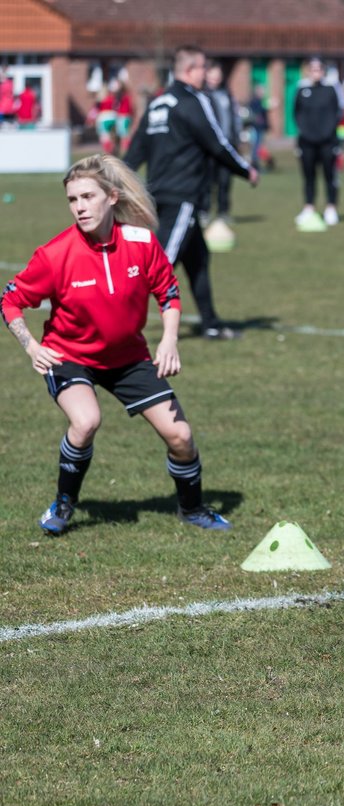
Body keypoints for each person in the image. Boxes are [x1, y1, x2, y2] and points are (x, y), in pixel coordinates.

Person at [1, 154, 234, 535]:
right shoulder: (55, 255)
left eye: (87, 197)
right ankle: (64, 503)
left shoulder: (141, 242)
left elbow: (169, 291)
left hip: (128, 357)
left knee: (181, 436)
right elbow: (9, 300)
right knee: (86, 420)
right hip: (70, 356)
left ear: (111, 197)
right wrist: (30, 346)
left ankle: (193, 510)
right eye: (73, 200)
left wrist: (169, 341)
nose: (79, 207)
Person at [125, 45, 257, 341]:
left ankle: (210, 323)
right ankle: (117, 322)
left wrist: (117, 180)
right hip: (182, 196)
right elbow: (217, 142)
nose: (207, 74)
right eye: (202, 68)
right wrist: (245, 169)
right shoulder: (193, 100)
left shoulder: (159, 103)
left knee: (198, 258)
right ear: (189, 71)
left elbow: (134, 152)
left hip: (158, 194)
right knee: (161, 265)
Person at [293, 57, 344, 228]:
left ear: (323, 71)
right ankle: (309, 207)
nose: (316, 72)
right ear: (308, 71)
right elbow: (296, 113)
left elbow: (339, 112)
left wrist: (330, 133)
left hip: (328, 141)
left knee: (330, 175)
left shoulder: (331, 89)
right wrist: (305, 132)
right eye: (312, 69)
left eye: (319, 69)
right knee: (309, 176)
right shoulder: (302, 89)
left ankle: (331, 208)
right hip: (307, 142)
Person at [202, 62, 240, 223]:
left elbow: (235, 118)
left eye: (218, 74)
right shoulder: (202, 95)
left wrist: (236, 138)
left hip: (227, 146)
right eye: (212, 73)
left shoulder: (227, 94)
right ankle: (204, 211)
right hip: (209, 147)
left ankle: (223, 212)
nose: (215, 77)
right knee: (208, 182)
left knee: (225, 182)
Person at [246, 84, 274, 171]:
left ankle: (257, 164)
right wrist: (267, 107)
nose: (263, 93)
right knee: (255, 147)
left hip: (260, 128)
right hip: (255, 128)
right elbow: (256, 114)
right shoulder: (254, 102)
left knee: (258, 147)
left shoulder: (260, 101)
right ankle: (254, 166)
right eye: (261, 91)